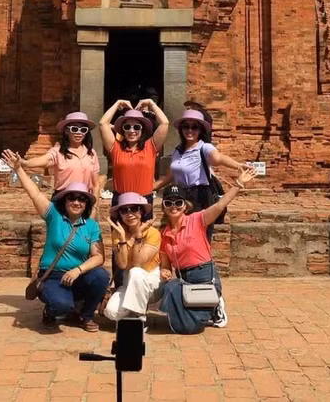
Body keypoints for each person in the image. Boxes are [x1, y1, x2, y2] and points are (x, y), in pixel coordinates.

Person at [0, 149, 109, 332]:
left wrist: (77, 270)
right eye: (72, 198)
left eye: (82, 199)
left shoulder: (91, 225)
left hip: (77, 276)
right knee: (61, 306)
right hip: (54, 276)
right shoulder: (54, 216)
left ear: (86, 204)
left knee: (101, 276)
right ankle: (52, 310)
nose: (76, 202)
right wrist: (19, 169)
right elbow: (35, 194)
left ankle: (86, 315)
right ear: (65, 201)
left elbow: (98, 257)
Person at [157, 169, 255, 334]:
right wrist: (164, 271)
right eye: (169, 203)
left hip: (204, 275)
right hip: (183, 279)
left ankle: (215, 305)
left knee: (193, 320)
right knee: (169, 290)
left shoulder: (197, 220)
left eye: (178, 202)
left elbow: (220, 205)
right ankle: (195, 314)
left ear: (185, 206)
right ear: (164, 207)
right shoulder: (164, 235)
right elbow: (166, 265)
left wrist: (238, 184)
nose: (174, 207)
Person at [158, 108, 251, 218]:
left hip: (199, 197)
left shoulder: (204, 147)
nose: (190, 130)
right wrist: (150, 187)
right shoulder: (177, 151)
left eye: (194, 127)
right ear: (181, 129)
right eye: (186, 126)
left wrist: (237, 165)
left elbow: (218, 158)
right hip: (180, 197)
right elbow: (169, 176)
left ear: (200, 130)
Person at [14, 111, 101, 208]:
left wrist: (95, 207)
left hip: (83, 201)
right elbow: (44, 160)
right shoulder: (58, 152)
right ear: (67, 131)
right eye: (74, 129)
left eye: (83, 130)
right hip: (62, 200)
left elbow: (96, 184)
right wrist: (24, 163)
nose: (79, 133)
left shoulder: (91, 153)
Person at [99, 97, 170, 216]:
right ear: (123, 130)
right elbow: (103, 124)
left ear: (142, 130)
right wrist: (117, 103)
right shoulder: (116, 148)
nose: (132, 131)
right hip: (121, 201)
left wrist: (151, 103)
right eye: (127, 127)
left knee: (144, 229)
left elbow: (165, 123)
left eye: (137, 127)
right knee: (118, 229)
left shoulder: (150, 147)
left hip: (144, 201)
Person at [103, 192, 162, 323]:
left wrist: (138, 236)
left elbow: (138, 263)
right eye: (124, 210)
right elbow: (122, 264)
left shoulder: (153, 233)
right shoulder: (118, 233)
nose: (129, 214)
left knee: (136, 272)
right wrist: (123, 239)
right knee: (111, 312)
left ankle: (140, 317)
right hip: (129, 281)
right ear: (120, 214)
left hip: (150, 282)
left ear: (141, 211)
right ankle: (136, 305)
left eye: (134, 209)